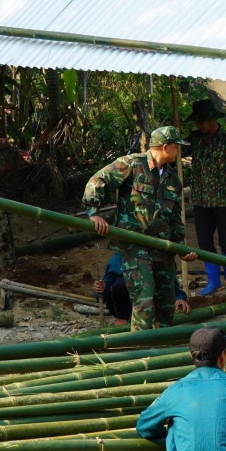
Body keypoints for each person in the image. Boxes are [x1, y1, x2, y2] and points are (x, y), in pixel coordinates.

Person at [84, 126, 196, 331]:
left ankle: (159, 350)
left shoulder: (173, 180)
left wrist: (181, 249)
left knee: (166, 306)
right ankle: (141, 353)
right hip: (136, 248)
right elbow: (97, 180)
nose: (179, 151)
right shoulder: (131, 165)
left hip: (163, 249)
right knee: (143, 302)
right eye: (177, 146)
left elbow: (175, 219)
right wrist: (94, 212)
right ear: (165, 147)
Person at [187, 98, 226, 296]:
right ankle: (213, 280)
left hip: (223, 200)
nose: (198, 126)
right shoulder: (195, 138)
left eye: (201, 121)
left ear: (211, 120)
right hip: (200, 200)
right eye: (196, 122)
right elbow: (176, 150)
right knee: (204, 241)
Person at [92, 253, 189, 326]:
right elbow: (106, 288)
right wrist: (101, 288)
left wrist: (178, 297)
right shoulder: (118, 259)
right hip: (129, 308)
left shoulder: (154, 255)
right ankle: (123, 317)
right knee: (119, 284)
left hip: (154, 307)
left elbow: (168, 280)